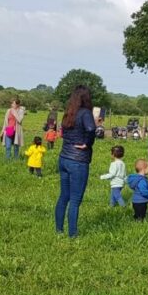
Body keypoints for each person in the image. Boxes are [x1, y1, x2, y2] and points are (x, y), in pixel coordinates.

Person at [55, 85, 96, 237]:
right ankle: (73, 234)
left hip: (64, 157)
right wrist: (87, 143)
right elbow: (91, 129)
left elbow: (63, 133)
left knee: (63, 196)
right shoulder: (86, 113)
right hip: (78, 160)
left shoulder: (68, 113)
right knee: (75, 199)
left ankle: (59, 230)